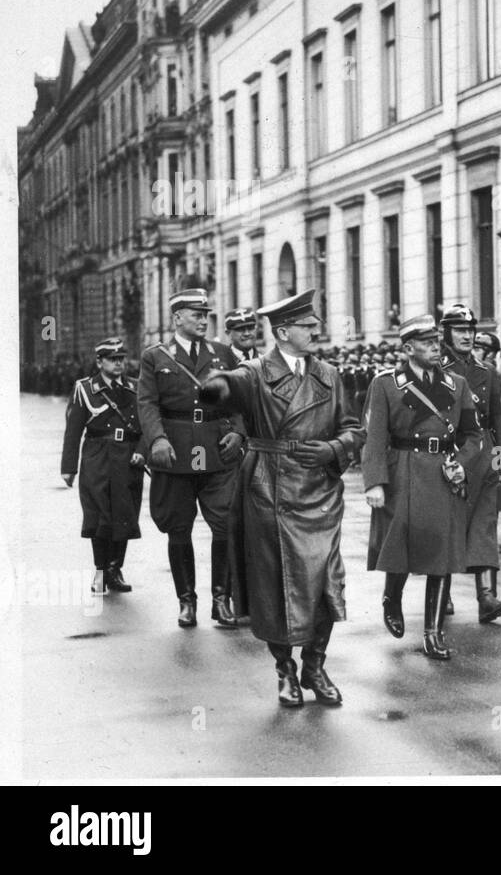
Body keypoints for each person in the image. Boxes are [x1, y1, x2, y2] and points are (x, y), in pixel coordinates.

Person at [198, 289, 364, 707]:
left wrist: (334, 448)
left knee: (325, 581)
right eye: (308, 326)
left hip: (320, 492)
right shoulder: (255, 373)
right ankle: (284, 670)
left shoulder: (328, 374)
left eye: (315, 324)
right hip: (269, 489)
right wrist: (215, 386)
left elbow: (352, 428)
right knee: (276, 585)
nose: (316, 330)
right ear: (284, 332)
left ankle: (315, 665)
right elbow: (228, 385)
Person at [362, 315, 483, 660]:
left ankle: (433, 633)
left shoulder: (457, 384)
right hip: (402, 470)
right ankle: (392, 598)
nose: (435, 348)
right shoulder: (386, 384)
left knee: (441, 554)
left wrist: (461, 464)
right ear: (408, 348)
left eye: (436, 342)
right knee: (399, 543)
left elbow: (473, 435)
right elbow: (375, 438)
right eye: (427, 343)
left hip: (442, 473)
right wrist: (375, 482)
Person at [136, 288, 245, 629]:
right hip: (175, 452)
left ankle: (221, 599)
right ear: (177, 318)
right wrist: (157, 439)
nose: (203, 320)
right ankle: (187, 601)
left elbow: (240, 398)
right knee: (178, 527)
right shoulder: (155, 357)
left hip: (217, 449)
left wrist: (238, 432)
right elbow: (147, 403)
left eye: (205, 315)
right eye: (196, 315)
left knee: (225, 524)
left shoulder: (222, 354)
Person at [438, 305, 501, 623]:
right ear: (446, 334)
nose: (467, 336)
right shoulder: (435, 369)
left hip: (484, 456)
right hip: (450, 453)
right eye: (460, 330)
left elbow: (497, 422)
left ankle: (487, 598)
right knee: (447, 525)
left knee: (485, 524)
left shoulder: (488, 371)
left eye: (471, 331)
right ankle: (441, 594)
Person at [61, 337, 147, 595]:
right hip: (97, 457)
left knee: (124, 514)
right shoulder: (85, 389)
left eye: (121, 359)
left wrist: (142, 452)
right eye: (112, 359)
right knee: (99, 516)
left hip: (128, 458)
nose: (118, 364)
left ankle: (115, 569)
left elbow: (147, 425)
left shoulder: (136, 387)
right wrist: (69, 467)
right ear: (99, 362)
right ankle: (100, 571)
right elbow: (73, 431)